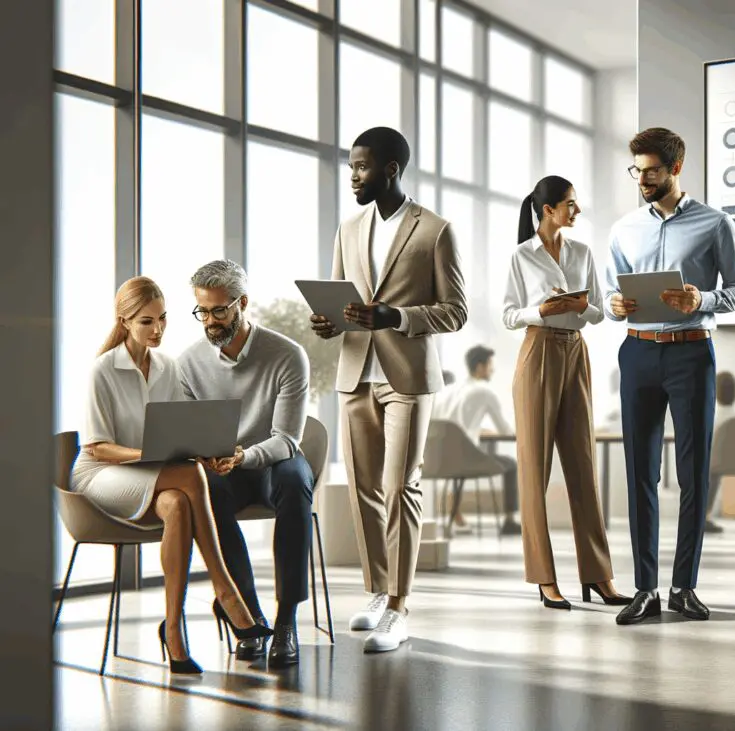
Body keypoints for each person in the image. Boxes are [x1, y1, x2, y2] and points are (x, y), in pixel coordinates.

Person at [311, 126, 467, 654]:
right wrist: (330, 322)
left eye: (361, 167)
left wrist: (395, 316)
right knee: (364, 490)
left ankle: (399, 608)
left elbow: (455, 311)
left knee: (400, 487)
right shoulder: (349, 228)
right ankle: (378, 591)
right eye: (351, 167)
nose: (353, 176)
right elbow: (342, 301)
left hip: (407, 378)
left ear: (391, 169)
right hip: (356, 374)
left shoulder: (436, 231)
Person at [73, 277, 272, 674]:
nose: (158, 329)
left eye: (162, 318)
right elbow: (97, 447)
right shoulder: (103, 370)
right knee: (187, 476)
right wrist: (151, 455)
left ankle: (174, 631)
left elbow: (181, 432)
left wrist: (208, 451)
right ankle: (226, 591)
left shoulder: (167, 367)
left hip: (153, 476)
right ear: (124, 321)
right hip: (100, 476)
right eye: (146, 321)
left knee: (179, 502)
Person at [605, 127, 735, 625]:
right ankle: (644, 589)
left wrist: (701, 299)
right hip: (637, 353)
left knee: (693, 473)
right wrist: (614, 304)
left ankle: (683, 587)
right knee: (641, 473)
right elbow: (609, 293)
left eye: (651, 171)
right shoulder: (624, 228)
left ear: (675, 169)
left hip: (691, 354)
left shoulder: (715, 223)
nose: (642, 179)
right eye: (637, 171)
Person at [501, 175, 626, 609]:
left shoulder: (582, 252)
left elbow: (598, 313)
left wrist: (579, 306)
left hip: (576, 351)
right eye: (570, 204)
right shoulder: (522, 255)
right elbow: (508, 314)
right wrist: (541, 310)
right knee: (534, 469)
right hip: (537, 351)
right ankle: (544, 578)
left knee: (583, 466)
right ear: (548, 209)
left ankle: (599, 575)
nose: (577, 210)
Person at [178, 260, 311, 666]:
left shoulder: (287, 355)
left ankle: (286, 621)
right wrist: (206, 455)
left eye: (219, 310)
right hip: (225, 468)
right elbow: (189, 431)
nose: (210, 321)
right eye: (202, 311)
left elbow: (286, 439)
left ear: (243, 303)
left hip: (272, 462)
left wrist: (243, 456)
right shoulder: (189, 363)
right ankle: (248, 617)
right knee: (203, 489)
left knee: (295, 480)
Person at [433, 345, 521, 536]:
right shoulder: (485, 392)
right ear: (480, 367)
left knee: (458, 461)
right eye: (490, 365)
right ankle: (509, 520)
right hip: (464, 459)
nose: (493, 370)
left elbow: (448, 424)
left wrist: (477, 429)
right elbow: (506, 430)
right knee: (511, 464)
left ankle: (456, 516)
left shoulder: (449, 390)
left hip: (437, 459)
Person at [704, 371, 735, 534]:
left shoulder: (713, 418)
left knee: (707, 468)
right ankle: (704, 516)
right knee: (713, 469)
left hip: (714, 464)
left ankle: (702, 517)